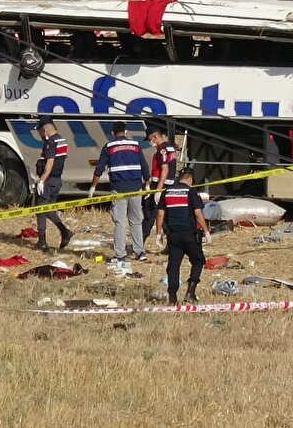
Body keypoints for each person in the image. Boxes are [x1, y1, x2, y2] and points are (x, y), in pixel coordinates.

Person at [89, 121, 150, 263]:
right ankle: (140, 252)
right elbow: (144, 165)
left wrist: (93, 187)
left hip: (119, 188)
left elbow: (99, 168)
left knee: (119, 222)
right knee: (136, 221)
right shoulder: (135, 146)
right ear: (126, 131)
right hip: (136, 188)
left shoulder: (109, 147)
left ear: (113, 133)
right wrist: (147, 183)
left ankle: (120, 254)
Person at [154, 168, 211, 305]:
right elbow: (198, 214)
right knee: (198, 260)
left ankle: (172, 297)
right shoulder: (191, 192)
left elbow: (160, 214)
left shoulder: (167, 192)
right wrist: (206, 231)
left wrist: (158, 234)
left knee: (174, 265)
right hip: (190, 234)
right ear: (190, 179)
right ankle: (190, 291)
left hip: (173, 236)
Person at [32, 118, 73, 251]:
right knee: (48, 208)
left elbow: (49, 163)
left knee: (40, 210)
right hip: (57, 180)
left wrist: (42, 180)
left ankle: (42, 241)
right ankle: (65, 232)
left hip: (49, 180)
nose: (40, 135)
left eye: (39, 132)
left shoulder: (50, 142)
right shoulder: (62, 140)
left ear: (44, 130)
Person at [142, 127, 177, 244]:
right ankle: (171, 245)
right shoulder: (170, 147)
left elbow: (165, 170)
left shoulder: (162, 149)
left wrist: (158, 190)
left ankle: (139, 245)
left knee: (149, 215)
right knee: (167, 217)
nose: (150, 142)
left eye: (150, 139)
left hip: (160, 185)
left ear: (154, 137)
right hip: (169, 185)